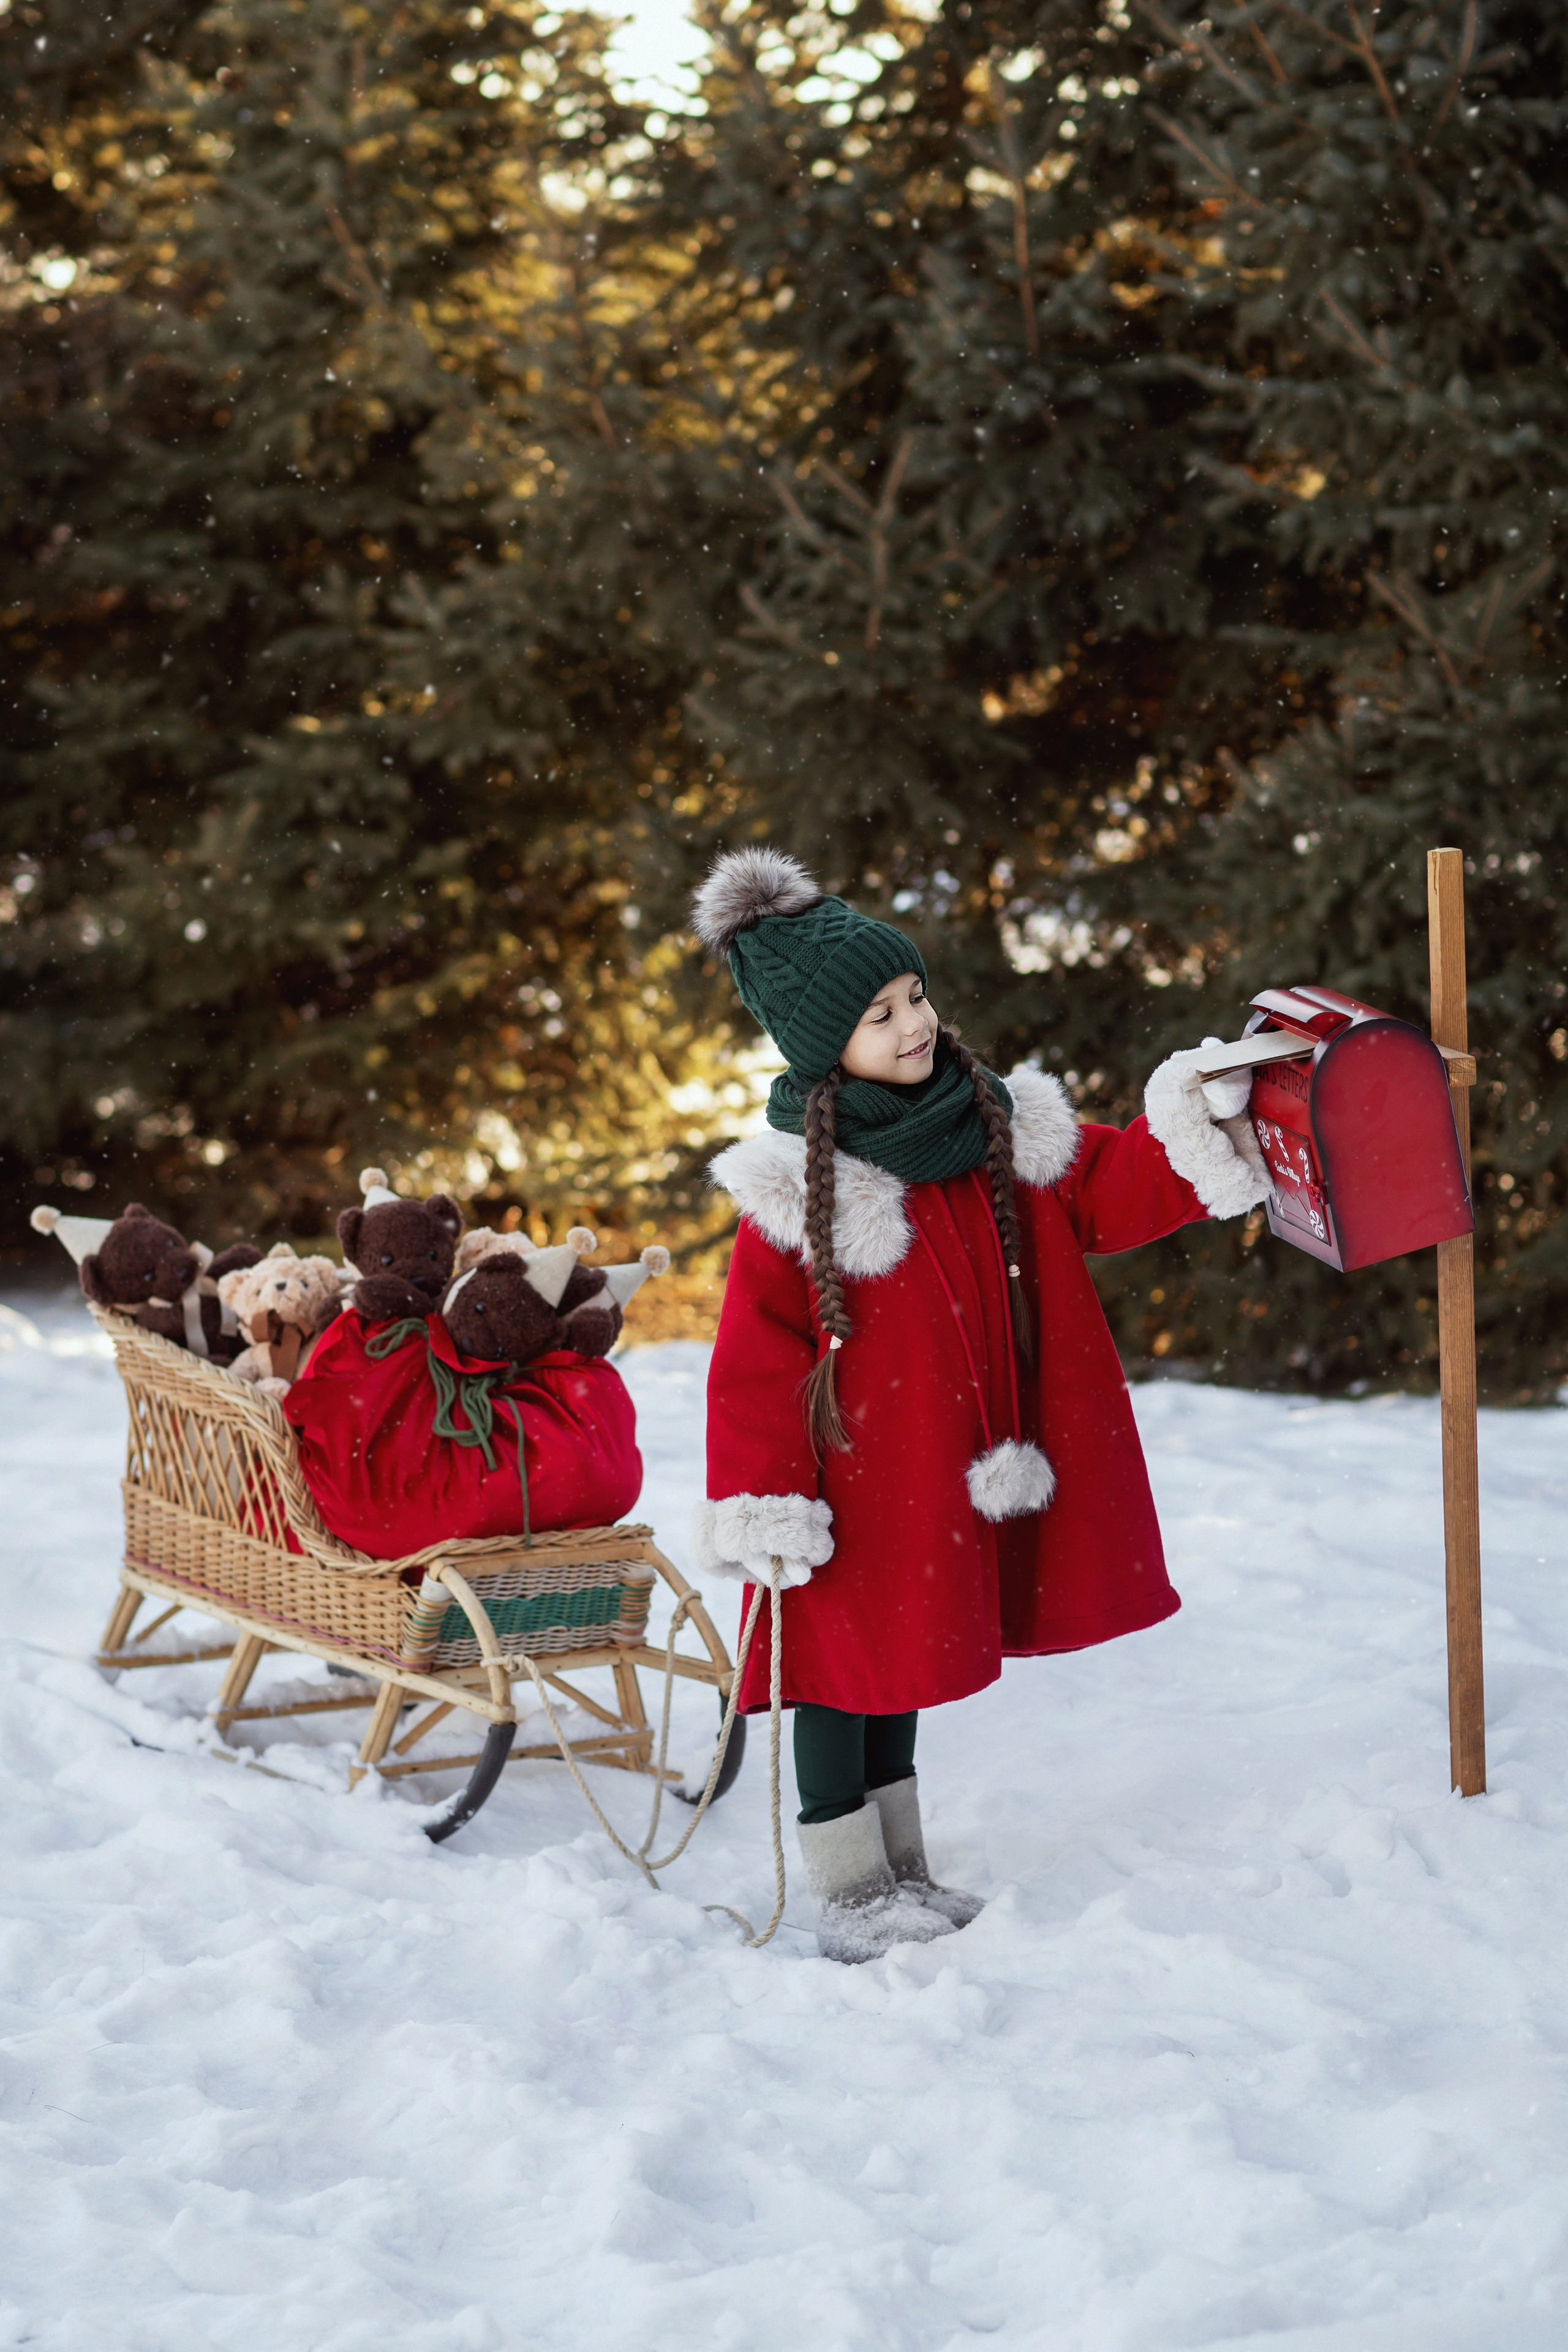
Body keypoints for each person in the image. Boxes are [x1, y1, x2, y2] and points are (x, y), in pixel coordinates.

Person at [690, 848, 1266, 1962]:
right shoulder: (797, 1191)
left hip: (934, 1469)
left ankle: (904, 1871)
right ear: (824, 1050)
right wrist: (766, 1502)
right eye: (878, 1017)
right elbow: (754, 1361)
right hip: (846, 1480)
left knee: (898, 1664)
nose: (913, 1025)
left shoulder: (998, 1127)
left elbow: (1115, 1186)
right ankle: (850, 1889)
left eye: (914, 997)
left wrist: (1190, 1116)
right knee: (840, 1683)